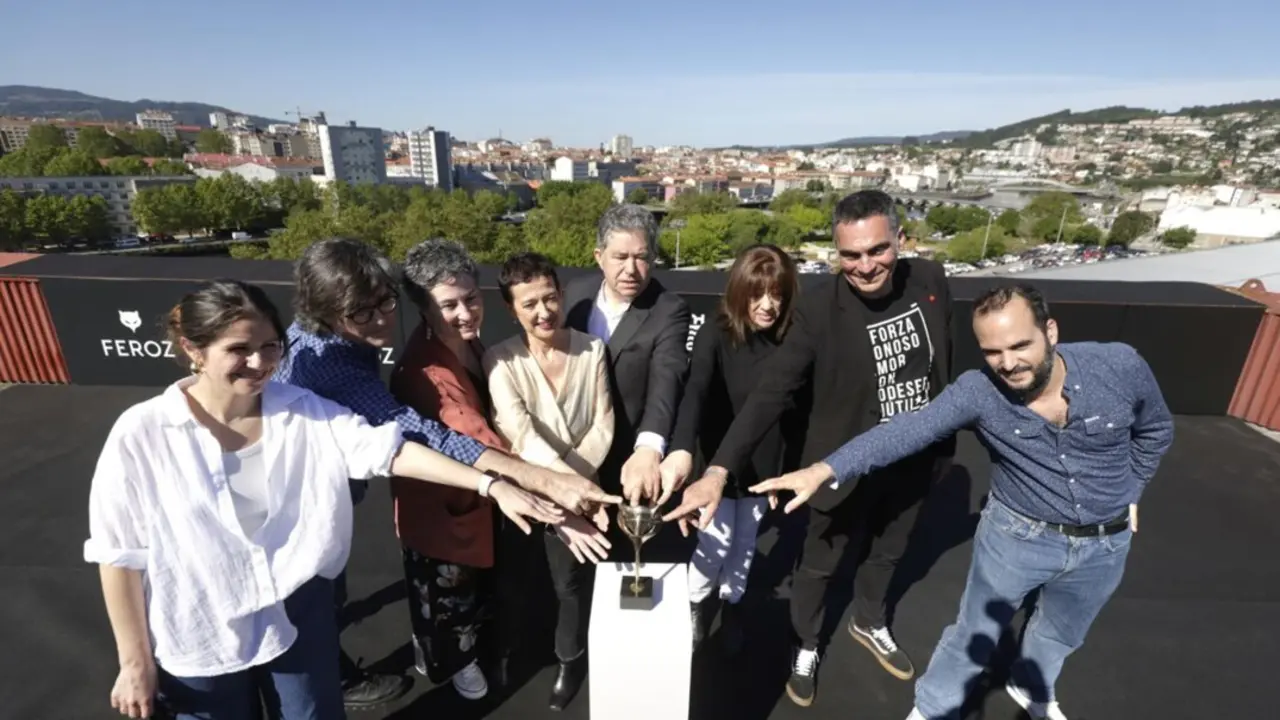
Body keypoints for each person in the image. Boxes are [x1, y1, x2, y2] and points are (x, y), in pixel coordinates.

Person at [84, 280, 560, 720]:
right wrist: (135, 661)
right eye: (238, 350)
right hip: (200, 627)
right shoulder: (141, 434)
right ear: (193, 350)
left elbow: (389, 449)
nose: (259, 363)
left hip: (298, 614)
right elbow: (120, 556)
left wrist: (490, 484)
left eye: (270, 346)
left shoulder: (304, 411)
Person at [751, 283, 1175, 720]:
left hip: (1105, 545)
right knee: (974, 633)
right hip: (1018, 538)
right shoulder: (978, 391)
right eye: (993, 352)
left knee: (1062, 632)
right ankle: (933, 709)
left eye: (1019, 345)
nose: (1008, 363)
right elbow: (904, 431)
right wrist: (824, 470)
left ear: (1050, 331)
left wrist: (1132, 489)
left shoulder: (1120, 365)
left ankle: (1030, 687)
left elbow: (1156, 430)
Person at [274, 238, 619, 710]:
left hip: (446, 494)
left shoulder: (446, 341)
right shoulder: (405, 371)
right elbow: (440, 436)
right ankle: (444, 666)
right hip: (401, 504)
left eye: (471, 299)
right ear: (325, 310)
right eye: (361, 313)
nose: (379, 319)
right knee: (438, 596)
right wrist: (553, 500)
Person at [666, 189, 956, 707]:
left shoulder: (932, 281)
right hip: (838, 466)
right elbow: (769, 395)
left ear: (900, 240)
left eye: (877, 250)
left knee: (889, 551)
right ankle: (806, 645)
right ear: (836, 253)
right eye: (851, 255)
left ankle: (869, 620)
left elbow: (944, 366)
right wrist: (716, 471)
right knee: (820, 563)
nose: (865, 265)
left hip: (914, 461)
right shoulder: (818, 310)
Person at [484, 252, 616, 711]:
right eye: (529, 304)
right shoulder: (498, 361)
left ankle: (569, 661)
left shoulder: (592, 349)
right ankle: (522, 651)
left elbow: (604, 425)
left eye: (550, 298)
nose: (544, 312)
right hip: (530, 495)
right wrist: (571, 492)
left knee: (571, 585)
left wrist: (579, 492)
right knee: (523, 582)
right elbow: (518, 435)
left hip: (585, 493)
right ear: (511, 309)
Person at [661, 244, 805, 653]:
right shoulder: (716, 332)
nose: (767, 306)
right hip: (717, 462)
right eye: (757, 294)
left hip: (764, 464)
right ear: (739, 291)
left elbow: (797, 412)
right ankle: (695, 601)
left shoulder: (793, 338)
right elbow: (695, 393)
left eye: (776, 294)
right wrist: (683, 451)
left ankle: (733, 603)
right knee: (715, 543)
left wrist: (787, 470)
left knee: (744, 544)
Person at [388, 239, 507, 701]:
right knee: (446, 600)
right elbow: (479, 438)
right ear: (422, 308)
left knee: (473, 594)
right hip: (439, 510)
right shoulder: (424, 372)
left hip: (476, 498)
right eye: (450, 305)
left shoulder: (469, 345)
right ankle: (455, 665)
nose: (466, 313)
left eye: (472, 298)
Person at [562, 203, 691, 510]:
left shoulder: (668, 310)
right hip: (568, 459)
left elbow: (666, 380)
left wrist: (648, 449)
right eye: (620, 257)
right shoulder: (576, 294)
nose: (631, 269)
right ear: (599, 257)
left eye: (641, 258)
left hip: (628, 463)